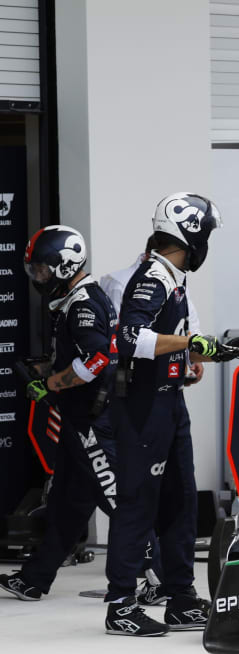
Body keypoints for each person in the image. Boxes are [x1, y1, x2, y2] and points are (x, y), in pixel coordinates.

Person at [107, 193, 239, 636]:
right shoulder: (153, 276)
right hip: (144, 406)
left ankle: (180, 598)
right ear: (194, 235)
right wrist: (187, 345)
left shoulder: (173, 277)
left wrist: (206, 354)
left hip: (170, 401)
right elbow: (129, 339)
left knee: (180, 500)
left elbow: (177, 340)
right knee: (138, 503)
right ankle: (121, 606)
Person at [2, 227, 118, 601]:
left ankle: (161, 581)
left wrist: (51, 384)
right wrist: (48, 370)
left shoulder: (82, 304)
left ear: (64, 265)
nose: (38, 277)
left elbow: (99, 359)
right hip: (77, 418)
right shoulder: (74, 299)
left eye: (42, 269)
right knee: (68, 503)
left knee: (117, 500)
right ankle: (35, 579)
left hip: (91, 421)